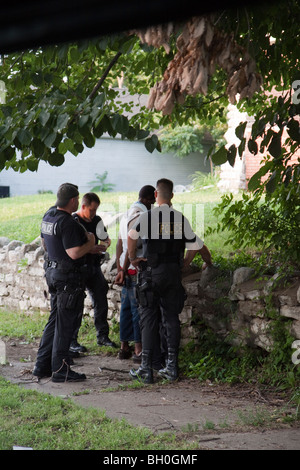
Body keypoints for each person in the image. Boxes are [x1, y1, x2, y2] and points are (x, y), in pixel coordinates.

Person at [127, 178, 211, 384]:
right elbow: (197, 246)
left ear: (156, 195)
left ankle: (146, 369)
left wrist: (132, 258)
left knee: (148, 319)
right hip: (172, 274)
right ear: (172, 196)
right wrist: (188, 263)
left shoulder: (148, 216)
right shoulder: (180, 218)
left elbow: (131, 236)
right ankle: (171, 367)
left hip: (150, 274)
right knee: (172, 318)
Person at [33, 183, 95, 382]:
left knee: (54, 320)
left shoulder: (48, 216)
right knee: (65, 324)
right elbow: (74, 253)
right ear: (73, 200)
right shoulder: (67, 222)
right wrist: (91, 243)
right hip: (67, 279)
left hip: (52, 273)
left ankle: (41, 365)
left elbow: (45, 243)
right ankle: (61, 369)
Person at [71, 192, 117, 352]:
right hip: (77, 268)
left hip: (94, 267)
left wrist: (104, 245)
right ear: (83, 206)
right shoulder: (73, 221)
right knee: (76, 304)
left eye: (96, 210)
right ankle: (72, 341)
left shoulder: (96, 220)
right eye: (91, 210)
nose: (94, 213)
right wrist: (90, 249)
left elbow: (106, 238)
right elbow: (73, 248)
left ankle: (103, 336)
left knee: (101, 301)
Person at [115, 185, 156, 362]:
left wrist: (119, 268)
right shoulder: (141, 215)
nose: (153, 205)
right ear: (147, 199)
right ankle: (138, 349)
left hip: (125, 269)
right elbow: (131, 242)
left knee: (125, 309)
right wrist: (126, 265)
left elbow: (119, 244)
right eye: (152, 202)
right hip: (134, 269)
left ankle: (124, 346)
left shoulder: (127, 214)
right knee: (137, 310)